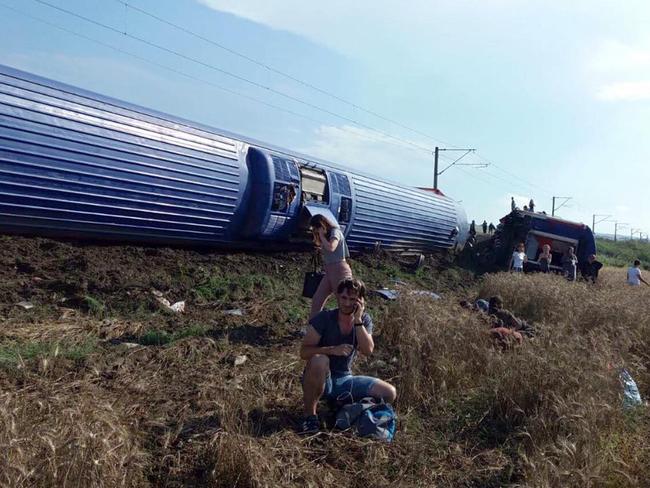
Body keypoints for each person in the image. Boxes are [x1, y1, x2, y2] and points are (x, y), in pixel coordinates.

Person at [299, 278, 397, 434]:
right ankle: (309, 416)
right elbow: (304, 352)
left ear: (360, 301)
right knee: (319, 360)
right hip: (322, 376)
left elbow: (368, 350)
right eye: (343, 298)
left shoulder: (364, 319)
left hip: (346, 379)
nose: (346, 303)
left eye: (352, 299)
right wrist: (331, 350)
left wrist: (357, 320)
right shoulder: (324, 318)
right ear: (338, 296)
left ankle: (344, 409)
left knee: (389, 392)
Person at [309, 214, 352, 319]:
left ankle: (352, 327)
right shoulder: (327, 235)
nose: (315, 231)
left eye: (316, 228)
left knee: (344, 301)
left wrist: (322, 236)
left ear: (321, 225)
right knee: (317, 299)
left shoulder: (335, 232)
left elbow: (331, 247)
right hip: (329, 271)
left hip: (340, 270)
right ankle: (313, 327)